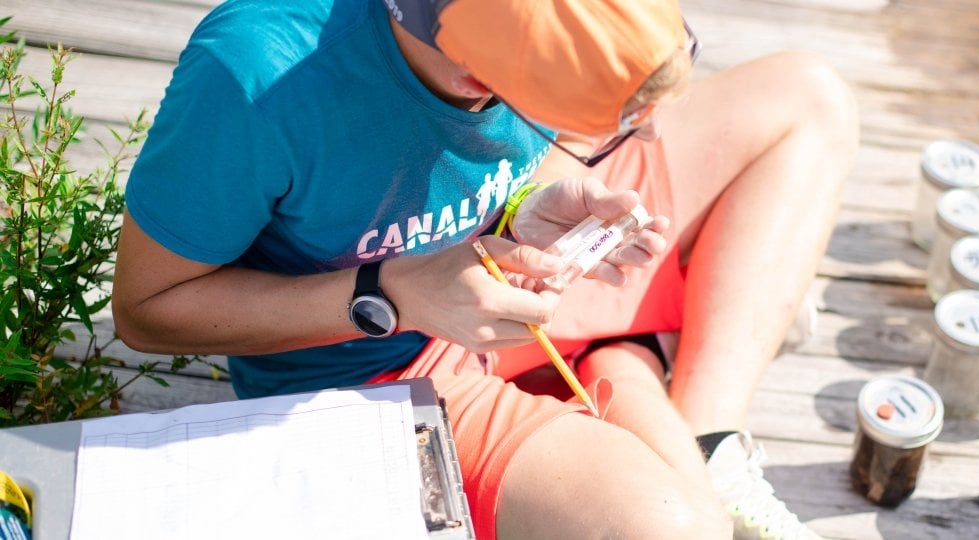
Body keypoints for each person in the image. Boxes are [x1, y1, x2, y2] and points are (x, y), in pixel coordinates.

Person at [111, 0, 858, 538]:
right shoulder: (261, 74)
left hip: (505, 276)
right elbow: (147, 311)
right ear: (478, 76)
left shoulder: (523, 40)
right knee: (674, 527)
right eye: (553, 115)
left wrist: (531, 202)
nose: (641, 141)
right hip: (375, 365)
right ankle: (629, 364)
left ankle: (707, 438)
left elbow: (496, 161)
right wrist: (392, 293)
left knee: (805, 97)